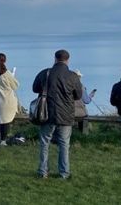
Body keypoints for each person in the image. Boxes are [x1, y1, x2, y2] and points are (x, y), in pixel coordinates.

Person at [33, 49, 83, 180]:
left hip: (47, 114)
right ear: (68, 60)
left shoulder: (45, 73)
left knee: (45, 143)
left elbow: (34, 88)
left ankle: (43, 171)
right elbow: (78, 95)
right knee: (64, 145)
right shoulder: (73, 76)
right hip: (66, 115)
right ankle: (64, 173)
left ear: (55, 59)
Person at [0, 53, 20, 146]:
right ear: (5, 61)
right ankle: (3, 140)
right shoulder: (6, 73)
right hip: (7, 101)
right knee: (6, 120)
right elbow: (15, 85)